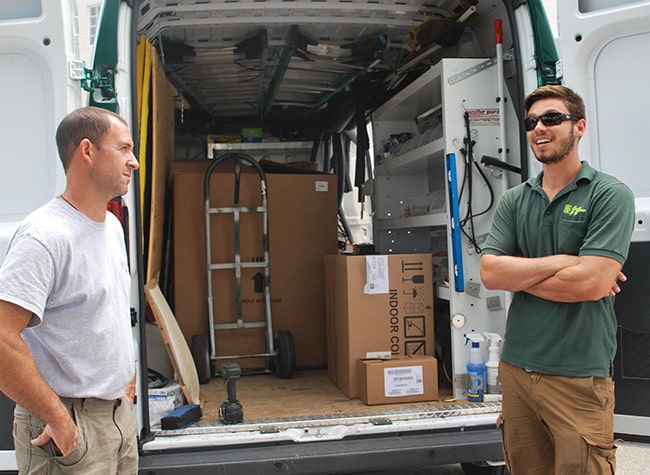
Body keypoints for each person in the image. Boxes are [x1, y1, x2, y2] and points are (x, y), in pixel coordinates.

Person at [480, 85, 635, 474]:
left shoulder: (609, 194)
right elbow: (490, 272)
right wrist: (566, 261)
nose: (539, 128)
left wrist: (520, 272)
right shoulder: (515, 200)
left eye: (552, 118)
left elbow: (591, 284)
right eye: (532, 122)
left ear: (579, 127)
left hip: (578, 374)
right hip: (516, 370)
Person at [0, 106, 140, 474]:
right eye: (124, 149)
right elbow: (1, 337)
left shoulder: (110, 226)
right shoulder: (45, 236)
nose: (134, 162)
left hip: (117, 420)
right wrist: (58, 418)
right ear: (87, 151)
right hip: (68, 428)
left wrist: (125, 375)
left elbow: (104, 312)